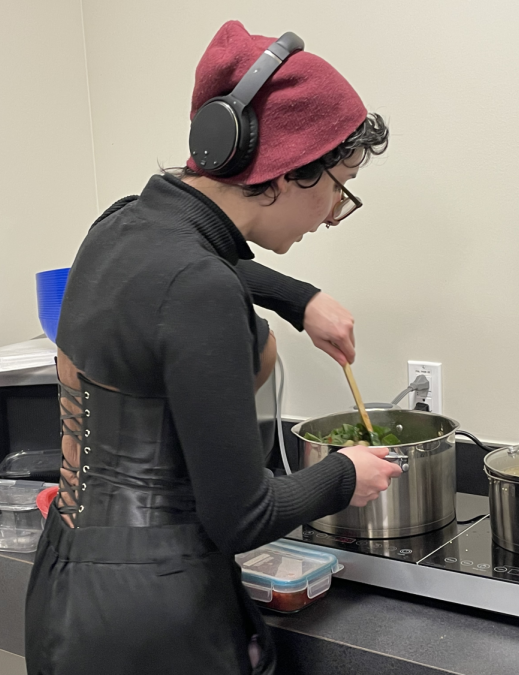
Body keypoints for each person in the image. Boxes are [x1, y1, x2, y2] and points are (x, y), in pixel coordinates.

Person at [25, 21, 397, 675]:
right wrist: (346, 473)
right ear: (286, 173)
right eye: (339, 186)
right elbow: (243, 515)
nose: (333, 212)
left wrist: (299, 297)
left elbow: (195, 267)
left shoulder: (120, 226)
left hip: (67, 583)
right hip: (156, 615)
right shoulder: (201, 289)